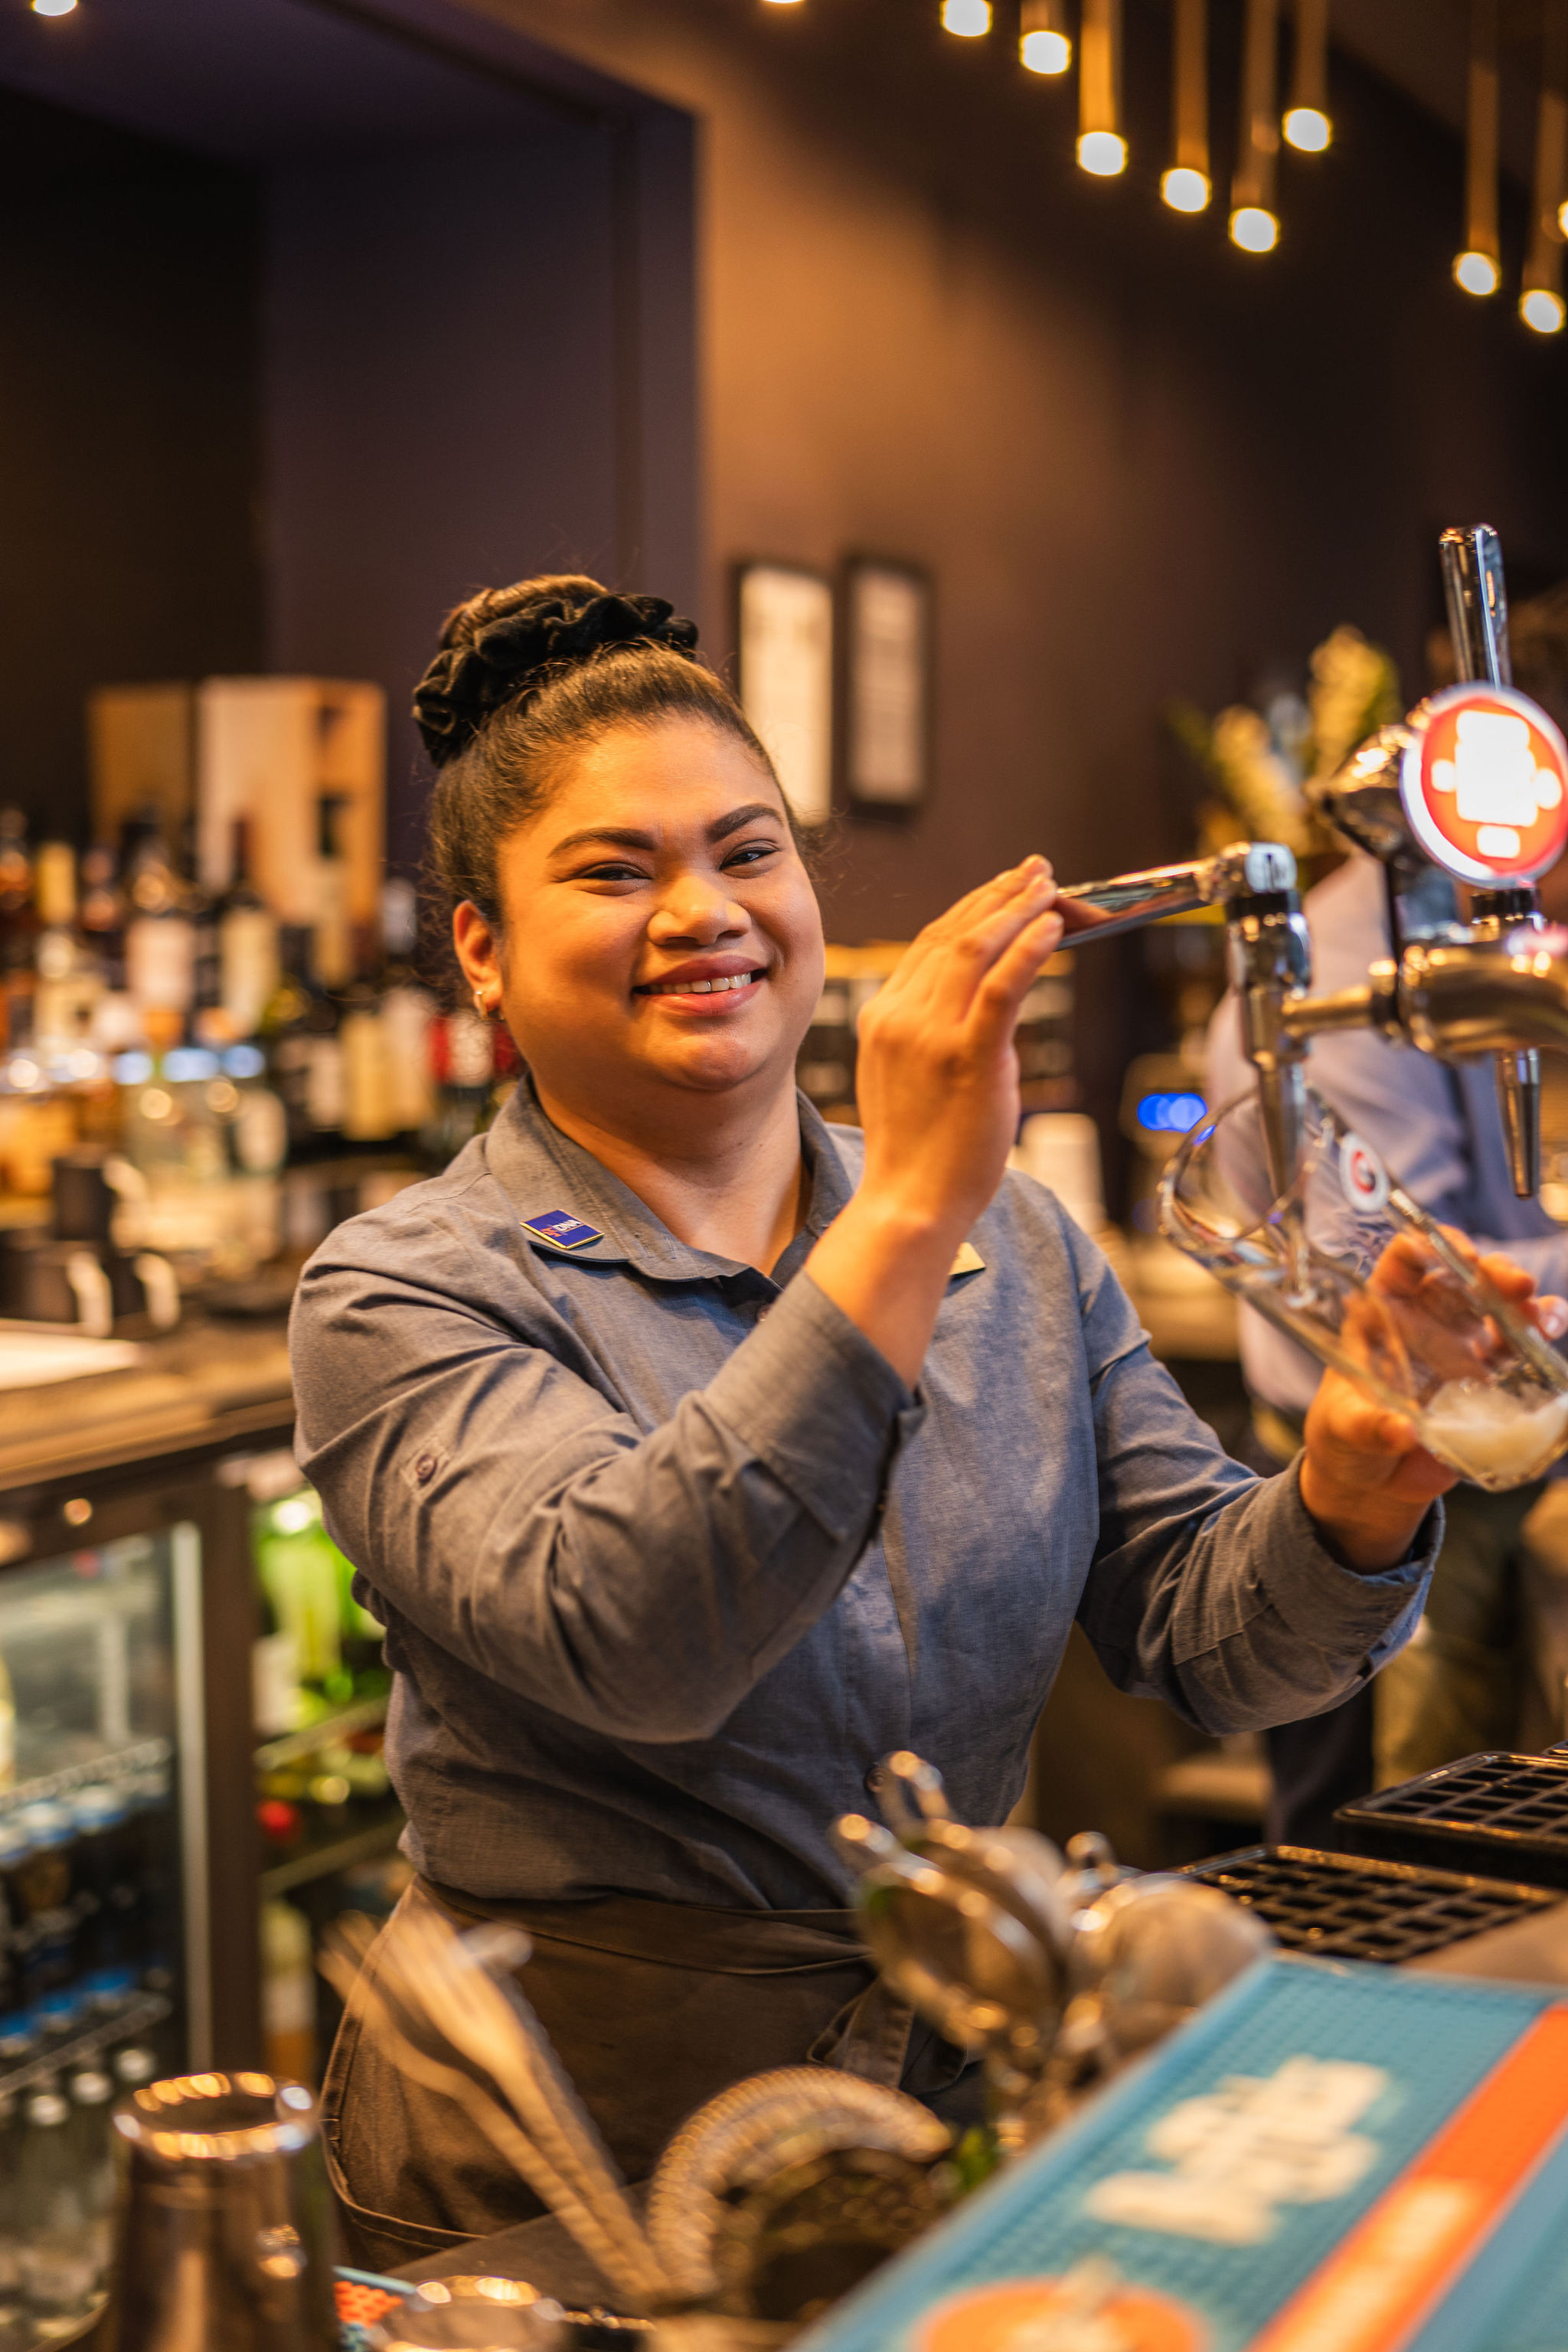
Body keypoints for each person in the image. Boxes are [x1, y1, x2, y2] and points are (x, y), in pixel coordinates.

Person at [291, 575, 1540, 2268]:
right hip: (569, 2155)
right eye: (613, 869)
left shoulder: (1009, 1237)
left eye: (748, 852)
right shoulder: (404, 1291)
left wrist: (1345, 1491)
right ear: (482, 951)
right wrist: (904, 1217)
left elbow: (1211, 1644)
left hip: (963, 2094)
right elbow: (638, 1637)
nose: (704, 911)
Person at [1208, 601, 1568, 1848]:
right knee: (1385, 1849)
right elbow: (1420, 1295)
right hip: (1372, 1488)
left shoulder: (1514, 937)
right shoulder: (1346, 978)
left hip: (1503, 1451)